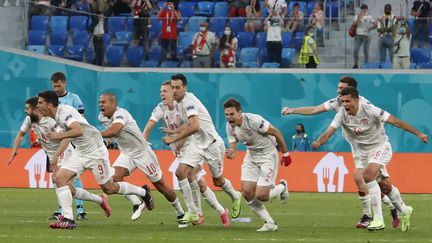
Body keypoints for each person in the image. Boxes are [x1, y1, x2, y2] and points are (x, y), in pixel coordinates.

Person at [281, 76, 400, 228]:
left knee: (374, 181)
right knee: (363, 179)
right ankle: (369, 215)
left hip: (372, 146)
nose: (338, 91)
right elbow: (314, 109)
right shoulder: (337, 102)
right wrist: (292, 110)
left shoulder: (365, 105)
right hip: (357, 146)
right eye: (338, 88)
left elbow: (380, 120)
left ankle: (389, 209)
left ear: (352, 92)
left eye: (341, 88)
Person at [312, 87, 428, 231]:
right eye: (342, 102)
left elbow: (396, 122)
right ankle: (405, 210)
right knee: (385, 186)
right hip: (363, 154)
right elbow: (328, 132)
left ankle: (377, 219)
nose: (345, 104)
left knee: (367, 176)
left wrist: (418, 134)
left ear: (356, 99)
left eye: (348, 101)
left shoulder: (370, 110)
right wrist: (319, 142)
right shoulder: (342, 114)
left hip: (380, 147)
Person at [37, 90, 154, 229]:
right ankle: (68, 219)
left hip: (95, 152)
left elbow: (78, 130)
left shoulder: (64, 113)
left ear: (49, 105)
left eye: (40, 103)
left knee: (109, 188)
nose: (37, 106)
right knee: (59, 178)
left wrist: (58, 136)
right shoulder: (54, 116)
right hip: (80, 151)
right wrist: (56, 154)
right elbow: (70, 135)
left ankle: (143, 192)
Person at [7, 97, 112, 225]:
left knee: (58, 179)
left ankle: (66, 217)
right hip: (52, 154)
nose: (25, 112)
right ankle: (99, 200)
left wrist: (57, 156)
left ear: (36, 109)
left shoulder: (51, 121)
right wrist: (15, 150)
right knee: (71, 190)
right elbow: (21, 134)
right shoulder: (30, 119)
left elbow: (66, 138)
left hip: (63, 152)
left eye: (27, 109)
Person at [143, 81, 230, 227]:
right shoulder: (161, 108)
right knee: (195, 180)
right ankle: (211, 212)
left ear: (173, 92)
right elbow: (151, 123)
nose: (162, 94)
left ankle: (199, 213)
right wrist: (145, 136)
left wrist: (177, 137)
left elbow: (191, 126)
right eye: (160, 91)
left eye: (165, 91)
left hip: (192, 145)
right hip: (178, 147)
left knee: (194, 179)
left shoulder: (182, 105)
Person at [162, 74, 242, 224]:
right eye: (172, 88)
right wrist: (175, 131)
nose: (174, 91)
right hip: (197, 145)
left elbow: (195, 126)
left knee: (218, 181)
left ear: (185, 88)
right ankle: (193, 212)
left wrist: (174, 138)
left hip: (212, 145)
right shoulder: (178, 103)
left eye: (177, 87)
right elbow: (189, 124)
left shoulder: (189, 101)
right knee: (181, 172)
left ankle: (235, 195)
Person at [98, 92, 185, 224]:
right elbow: (112, 136)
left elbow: (115, 130)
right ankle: (138, 201)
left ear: (113, 104)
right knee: (113, 179)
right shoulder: (102, 117)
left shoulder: (121, 114)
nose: (100, 105)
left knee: (161, 186)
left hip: (143, 153)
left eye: (103, 102)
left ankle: (180, 213)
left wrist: (96, 135)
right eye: (100, 102)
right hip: (127, 153)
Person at [223, 98, 291, 232]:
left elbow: (276, 132)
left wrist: (285, 154)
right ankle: (270, 223)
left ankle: (282, 187)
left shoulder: (254, 120)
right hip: (251, 155)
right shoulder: (229, 126)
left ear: (239, 112)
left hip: (268, 155)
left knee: (261, 196)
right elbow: (233, 146)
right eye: (226, 114)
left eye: (232, 114)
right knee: (247, 192)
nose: (229, 117)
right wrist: (231, 153)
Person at [49, 72, 86, 221]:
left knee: (73, 175)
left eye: (59, 85)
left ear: (65, 83)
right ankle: (61, 210)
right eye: (54, 86)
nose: (56, 89)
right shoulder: (50, 100)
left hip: (72, 141)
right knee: (59, 176)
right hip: (57, 142)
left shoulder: (74, 99)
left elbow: (81, 120)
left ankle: (80, 210)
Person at [352, 4, 377, 68]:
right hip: (358, 35)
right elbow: (354, 24)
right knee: (355, 50)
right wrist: (359, 18)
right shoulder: (357, 16)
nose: (363, 10)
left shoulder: (369, 17)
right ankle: (355, 64)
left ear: (367, 9)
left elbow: (376, 24)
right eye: (362, 9)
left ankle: (366, 64)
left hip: (366, 35)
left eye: (364, 9)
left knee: (365, 50)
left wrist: (370, 28)